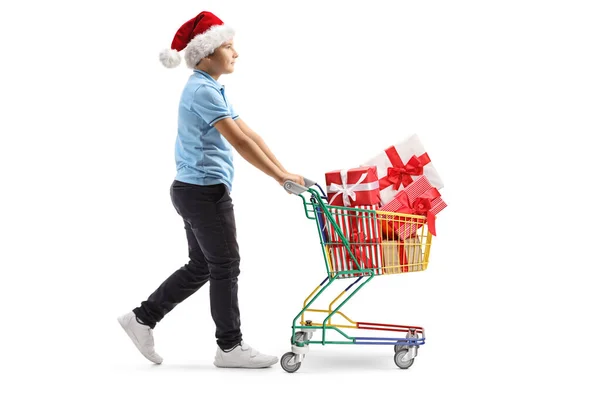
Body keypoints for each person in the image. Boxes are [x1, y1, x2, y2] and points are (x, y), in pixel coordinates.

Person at [117, 11, 305, 369]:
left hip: (195, 190)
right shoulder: (201, 90)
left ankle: (142, 318)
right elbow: (238, 143)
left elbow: (251, 135)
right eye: (229, 46)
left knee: (204, 265)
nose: (236, 53)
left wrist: (284, 171)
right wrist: (279, 179)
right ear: (205, 55)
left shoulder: (212, 88)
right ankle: (230, 347)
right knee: (225, 265)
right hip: (203, 193)